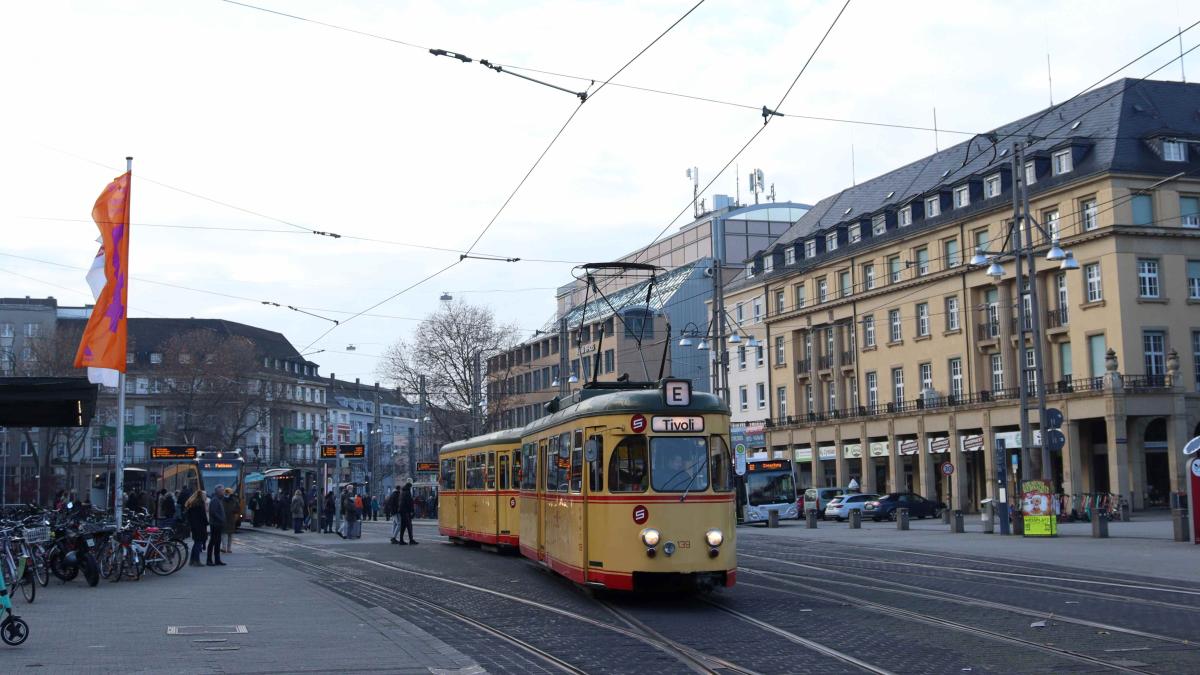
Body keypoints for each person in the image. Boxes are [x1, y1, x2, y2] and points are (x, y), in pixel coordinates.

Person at [184, 488, 207, 567]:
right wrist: (207, 523)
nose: (205, 497)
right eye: (204, 495)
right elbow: (203, 516)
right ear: (201, 496)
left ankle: (192, 560)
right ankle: (196, 561)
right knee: (198, 543)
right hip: (200, 527)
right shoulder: (200, 504)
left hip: (194, 526)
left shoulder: (192, 504)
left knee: (196, 543)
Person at [206, 485, 226, 566]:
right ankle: (209, 560)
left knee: (217, 542)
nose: (223, 492)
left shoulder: (218, 499)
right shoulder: (215, 500)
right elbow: (213, 512)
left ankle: (217, 560)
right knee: (213, 542)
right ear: (218, 492)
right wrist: (221, 519)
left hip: (218, 524)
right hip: (215, 524)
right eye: (222, 491)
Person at [398, 480, 417, 545]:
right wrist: (412, 511)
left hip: (402, 511)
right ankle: (411, 540)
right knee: (409, 525)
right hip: (406, 511)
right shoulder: (407, 493)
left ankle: (401, 540)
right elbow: (409, 503)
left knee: (403, 526)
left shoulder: (402, 492)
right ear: (409, 487)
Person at [222, 488, 238, 553]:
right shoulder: (233, 500)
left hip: (229, 518)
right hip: (227, 518)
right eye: (226, 492)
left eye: (228, 492)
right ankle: (225, 548)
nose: (227, 493)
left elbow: (237, 508)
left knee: (228, 534)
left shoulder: (233, 500)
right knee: (225, 534)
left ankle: (227, 548)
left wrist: (233, 511)